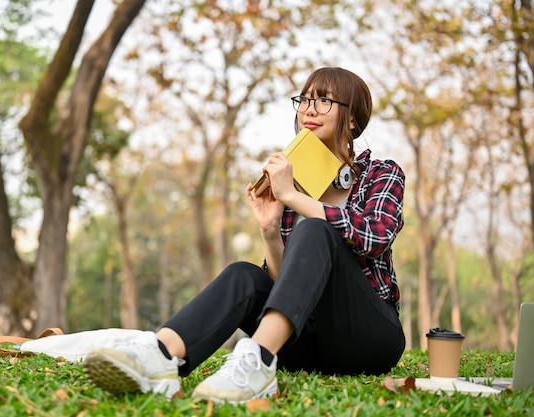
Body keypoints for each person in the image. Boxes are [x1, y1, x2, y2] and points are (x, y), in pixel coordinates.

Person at [83, 67, 406, 404]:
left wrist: (296, 199)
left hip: (367, 340)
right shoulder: (291, 185)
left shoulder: (380, 174)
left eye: (324, 100)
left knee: (314, 227)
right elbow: (285, 289)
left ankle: (260, 360)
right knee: (245, 274)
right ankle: (162, 355)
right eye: (305, 100)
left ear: (352, 119)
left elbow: (374, 237)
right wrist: (270, 230)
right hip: (307, 346)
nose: (309, 109)